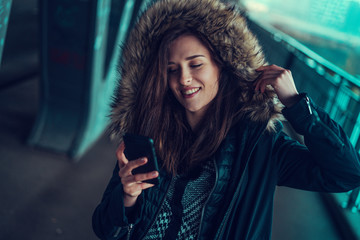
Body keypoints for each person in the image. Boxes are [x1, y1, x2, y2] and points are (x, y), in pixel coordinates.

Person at [92, 0, 360, 239]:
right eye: (171, 69)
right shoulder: (146, 132)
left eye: (195, 64)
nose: (183, 79)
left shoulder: (260, 147)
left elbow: (347, 174)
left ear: (223, 65)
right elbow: (104, 229)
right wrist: (126, 198)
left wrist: (295, 104)